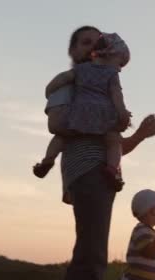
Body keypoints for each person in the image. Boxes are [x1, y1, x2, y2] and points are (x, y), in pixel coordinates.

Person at [45, 26, 155, 280]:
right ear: (74, 50)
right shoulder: (71, 83)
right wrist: (101, 116)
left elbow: (114, 144)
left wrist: (139, 135)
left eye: (98, 42)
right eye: (86, 42)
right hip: (87, 171)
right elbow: (56, 124)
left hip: (100, 172)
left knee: (86, 255)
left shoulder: (98, 84)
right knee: (93, 258)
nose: (94, 47)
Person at [33, 32, 133, 190]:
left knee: (62, 136)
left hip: (79, 113)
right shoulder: (111, 74)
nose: (120, 69)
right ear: (110, 54)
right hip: (103, 116)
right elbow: (117, 96)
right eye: (120, 64)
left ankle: (47, 161)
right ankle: (112, 169)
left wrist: (50, 90)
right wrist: (122, 114)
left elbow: (63, 78)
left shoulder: (81, 69)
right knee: (114, 141)